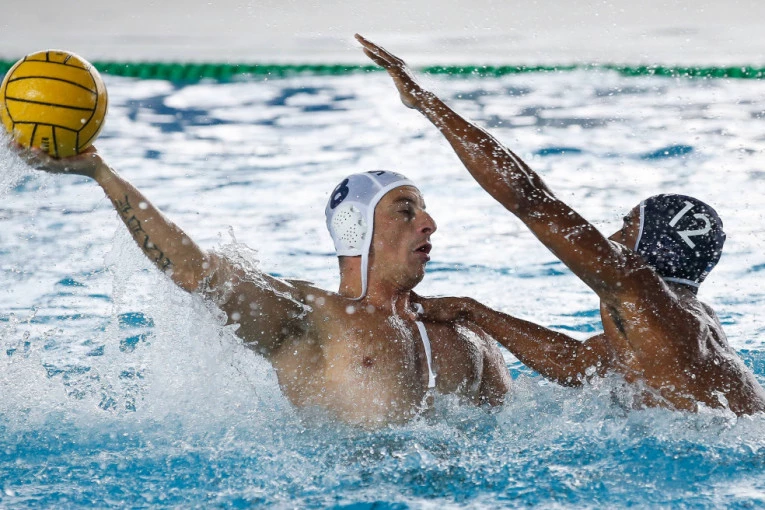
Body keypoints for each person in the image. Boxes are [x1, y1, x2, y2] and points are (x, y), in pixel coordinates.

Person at [356, 34, 765, 416]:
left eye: (627, 227)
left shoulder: (639, 287)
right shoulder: (678, 323)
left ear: (648, 247)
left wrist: (425, 102)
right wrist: (472, 310)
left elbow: (530, 198)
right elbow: (577, 364)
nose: (611, 238)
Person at [19, 147, 513, 428]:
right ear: (357, 229)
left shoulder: (466, 332)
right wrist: (101, 173)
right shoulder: (310, 317)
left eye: (424, 211)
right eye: (406, 211)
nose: (429, 223)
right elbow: (194, 271)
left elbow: (520, 424)